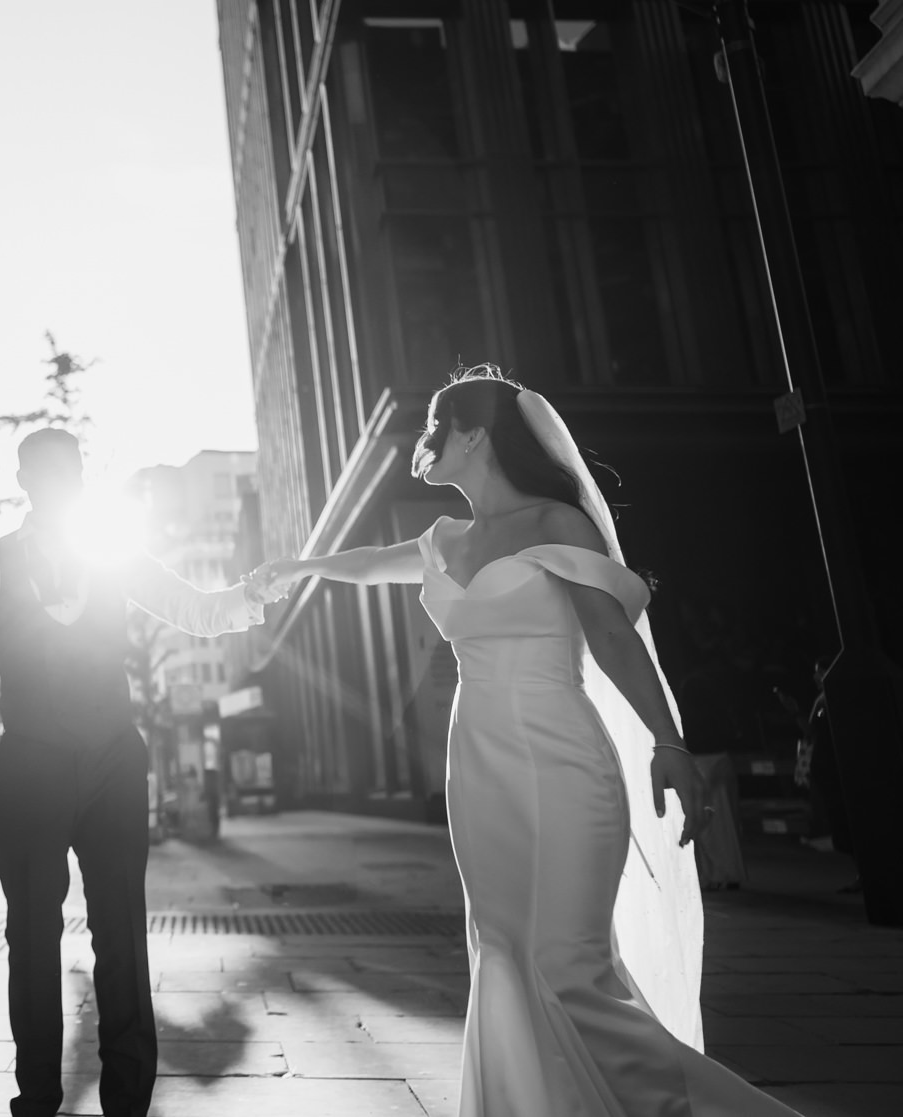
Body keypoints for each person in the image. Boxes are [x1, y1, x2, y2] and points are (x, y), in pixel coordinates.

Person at [252, 366, 803, 1116]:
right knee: (505, 955)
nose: (425, 444)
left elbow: (611, 635)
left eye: (434, 429)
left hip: (563, 755)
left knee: (567, 963)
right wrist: (299, 566)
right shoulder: (445, 537)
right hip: (476, 767)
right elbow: (368, 565)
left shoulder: (557, 523)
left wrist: (668, 742)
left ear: (474, 434)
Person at [0, 427, 279, 1117]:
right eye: (48, 473)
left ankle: (129, 1100)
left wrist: (251, 595)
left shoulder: (117, 558)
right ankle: (36, 1098)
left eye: (72, 472)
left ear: (81, 479)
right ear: (27, 480)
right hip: (28, 762)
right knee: (29, 936)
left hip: (114, 759)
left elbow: (193, 608)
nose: (62, 484)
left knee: (120, 929)